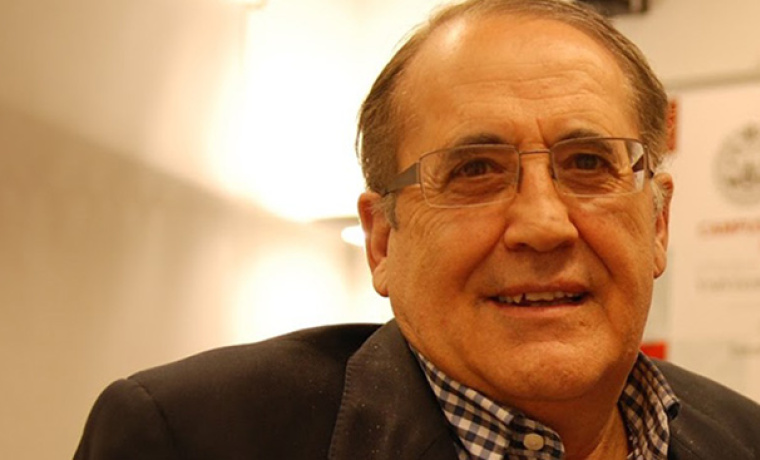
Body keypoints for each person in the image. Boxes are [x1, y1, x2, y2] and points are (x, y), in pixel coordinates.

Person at [74, 0, 760, 459]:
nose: (544, 225)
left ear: (658, 222)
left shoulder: (744, 438)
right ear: (383, 242)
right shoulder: (190, 437)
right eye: (475, 171)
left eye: (588, 164)